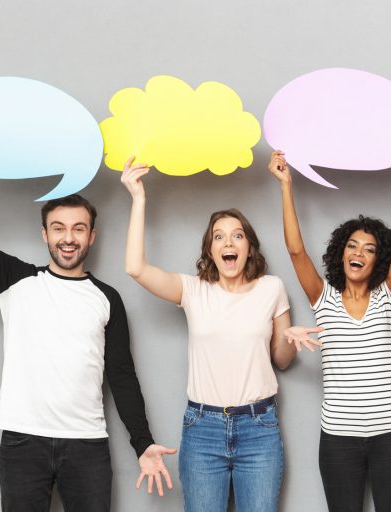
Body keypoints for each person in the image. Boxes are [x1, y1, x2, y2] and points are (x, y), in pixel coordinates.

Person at [0, 117, 176, 512]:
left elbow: (121, 376)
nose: (68, 238)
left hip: (87, 445)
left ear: (91, 236)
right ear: (45, 235)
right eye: (58, 228)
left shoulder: (107, 299)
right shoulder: (15, 280)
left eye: (78, 229)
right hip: (23, 443)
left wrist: (142, 442)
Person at [120, 156, 307, 512]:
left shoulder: (272, 288)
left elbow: (282, 361)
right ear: (211, 250)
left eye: (237, 235)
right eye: (218, 237)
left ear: (248, 246)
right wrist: (138, 199)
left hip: (259, 428)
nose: (228, 242)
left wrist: (288, 338)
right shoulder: (193, 290)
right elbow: (135, 268)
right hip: (202, 428)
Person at [268, 138, 391, 512]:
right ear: (340, 253)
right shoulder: (322, 298)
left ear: (379, 261)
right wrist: (286, 185)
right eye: (353, 246)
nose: (359, 253)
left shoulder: (389, 295)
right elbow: (296, 251)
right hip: (339, 440)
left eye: (370, 249)